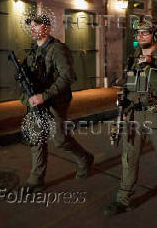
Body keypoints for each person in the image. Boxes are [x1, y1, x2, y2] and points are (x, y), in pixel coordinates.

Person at [103, 18, 157, 216]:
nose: (140, 36)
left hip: (156, 114)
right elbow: (130, 82)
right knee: (129, 157)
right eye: (138, 33)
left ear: (156, 35)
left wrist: (148, 66)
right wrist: (124, 98)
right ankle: (123, 198)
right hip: (134, 115)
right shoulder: (134, 55)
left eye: (145, 33)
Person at [21, 14, 94, 191]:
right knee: (37, 137)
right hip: (36, 102)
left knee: (60, 140)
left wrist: (44, 96)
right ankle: (36, 178)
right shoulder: (32, 51)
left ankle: (84, 158)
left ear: (46, 28)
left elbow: (68, 77)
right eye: (31, 25)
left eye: (36, 25)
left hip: (55, 102)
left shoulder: (58, 49)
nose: (32, 28)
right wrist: (27, 97)